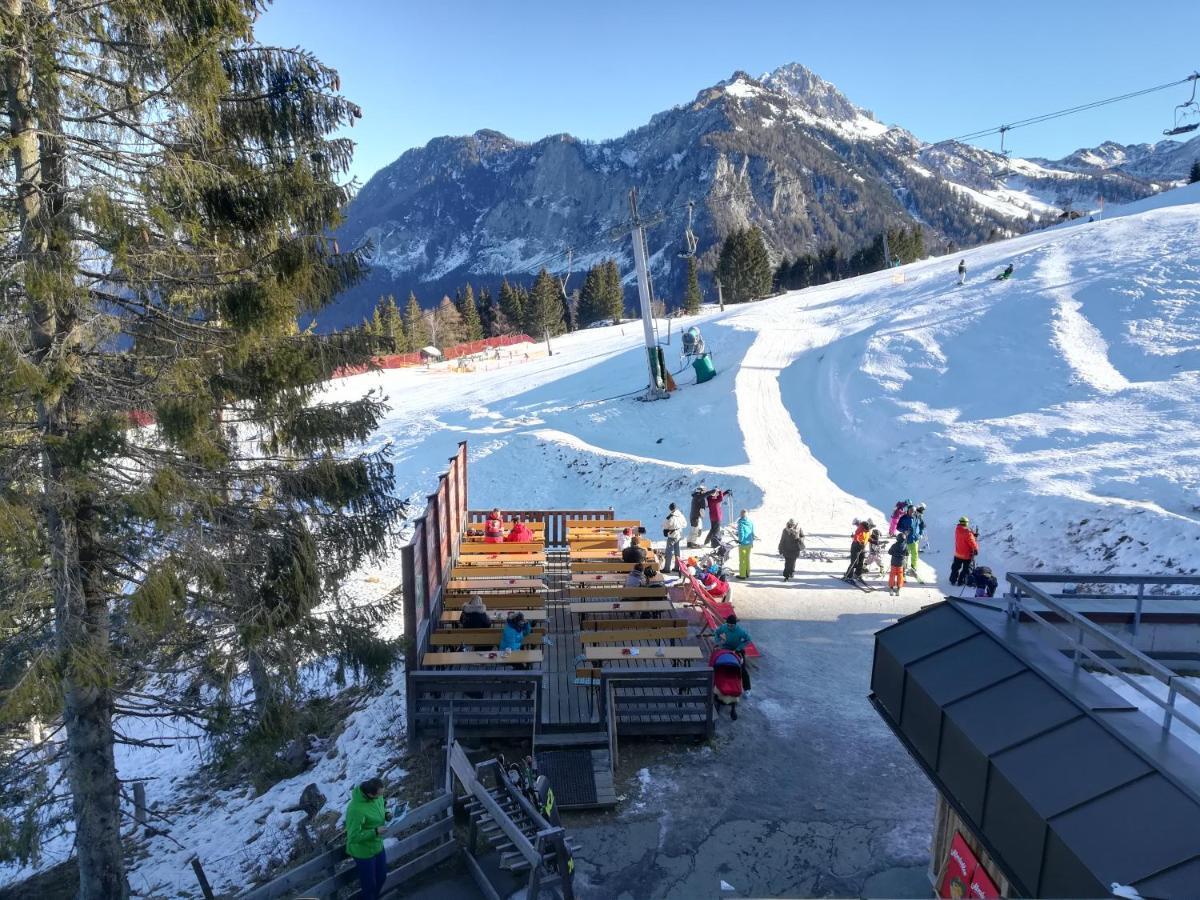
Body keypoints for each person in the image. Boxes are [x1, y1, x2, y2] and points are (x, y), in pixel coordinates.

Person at [345, 778, 389, 900]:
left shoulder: (377, 796)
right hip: (363, 852)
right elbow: (353, 836)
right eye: (379, 794)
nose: (382, 796)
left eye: (382, 793)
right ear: (370, 794)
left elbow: (381, 808)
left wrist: (387, 814)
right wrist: (375, 832)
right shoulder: (355, 810)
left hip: (377, 845)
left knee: (382, 877)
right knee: (369, 885)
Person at [714, 614, 752, 692]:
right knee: (718, 663)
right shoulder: (724, 627)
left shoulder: (740, 631)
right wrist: (718, 642)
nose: (729, 627)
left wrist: (739, 648)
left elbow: (748, 640)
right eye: (728, 625)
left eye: (731, 625)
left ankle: (747, 689)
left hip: (737, 649)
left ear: (735, 624)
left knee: (742, 668)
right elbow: (716, 633)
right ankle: (716, 684)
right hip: (726, 648)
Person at [950, 516, 980, 586]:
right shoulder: (968, 532)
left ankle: (953, 580)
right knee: (965, 569)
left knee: (955, 568)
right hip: (966, 555)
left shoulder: (957, 529)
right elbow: (972, 542)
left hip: (958, 554)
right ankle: (961, 581)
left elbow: (965, 534)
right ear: (966, 523)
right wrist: (976, 549)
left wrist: (973, 534)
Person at [662, 502, 688, 573]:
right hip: (679, 534)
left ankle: (667, 568)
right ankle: (677, 567)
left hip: (672, 535)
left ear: (670, 509)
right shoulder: (681, 515)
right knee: (677, 552)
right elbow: (685, 524)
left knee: (669, 552)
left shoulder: (670, 517)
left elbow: (665, 526)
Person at [734, 509, 755, 579]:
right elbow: (752, 532)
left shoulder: (741, 523)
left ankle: (742, 575)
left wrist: (740, 541)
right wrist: (752, 541)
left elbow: (741, 533)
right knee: (747, 558)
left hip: (743, 545)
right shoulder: (750, 522)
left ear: (741, 515)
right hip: (749, 543)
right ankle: (747, 572)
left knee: (742, 559)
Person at [887, 531, 909, 595]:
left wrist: (894, 553)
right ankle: (899, 586)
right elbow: (907, 553)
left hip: (894, 563)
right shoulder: (905, 546)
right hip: (900, 563)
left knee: (892, 574)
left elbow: (889, 552)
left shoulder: (894, 545)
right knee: (900, 575)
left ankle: (891, 586)